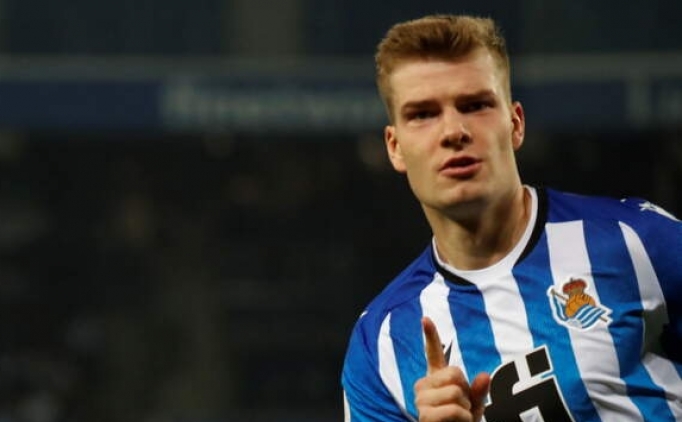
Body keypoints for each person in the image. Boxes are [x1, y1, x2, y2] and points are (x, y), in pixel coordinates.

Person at [341, 13, 682, 422]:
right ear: (395, 147)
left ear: (515, 123)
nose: (453, 131)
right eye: (423, 114)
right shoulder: (381, 344)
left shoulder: (635, 241)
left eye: (475, 105)